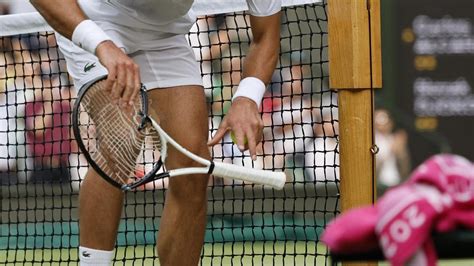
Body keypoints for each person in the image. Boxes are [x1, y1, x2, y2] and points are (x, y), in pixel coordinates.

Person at [29, 0, 282, 265]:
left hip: (166, 33)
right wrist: (99, 43)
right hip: (95, 20)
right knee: (123, 137)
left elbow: (265, 36)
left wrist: (246, 97)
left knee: (194, 166)